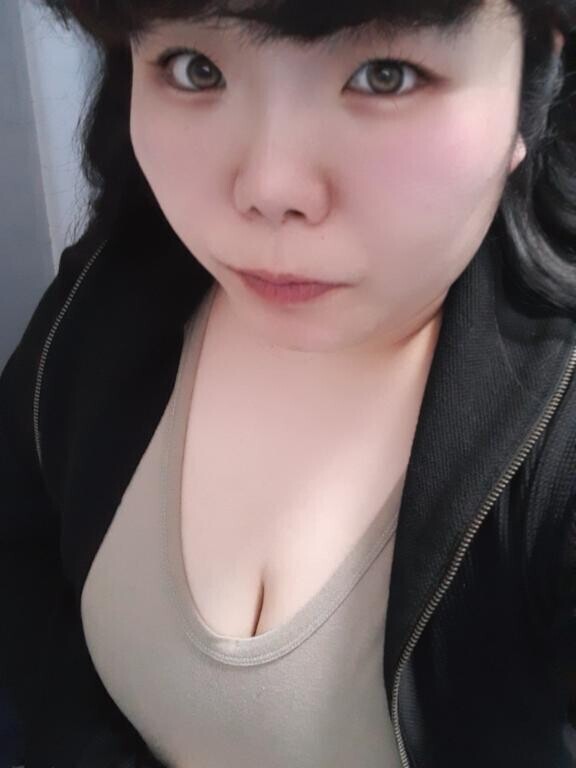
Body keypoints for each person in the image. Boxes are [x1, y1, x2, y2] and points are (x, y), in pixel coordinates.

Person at [1, 0, 576, 765]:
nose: (269, 188)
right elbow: (23, 549)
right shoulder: (111, 290)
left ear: (536, 73)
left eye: (385, 75)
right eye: (195, 69)